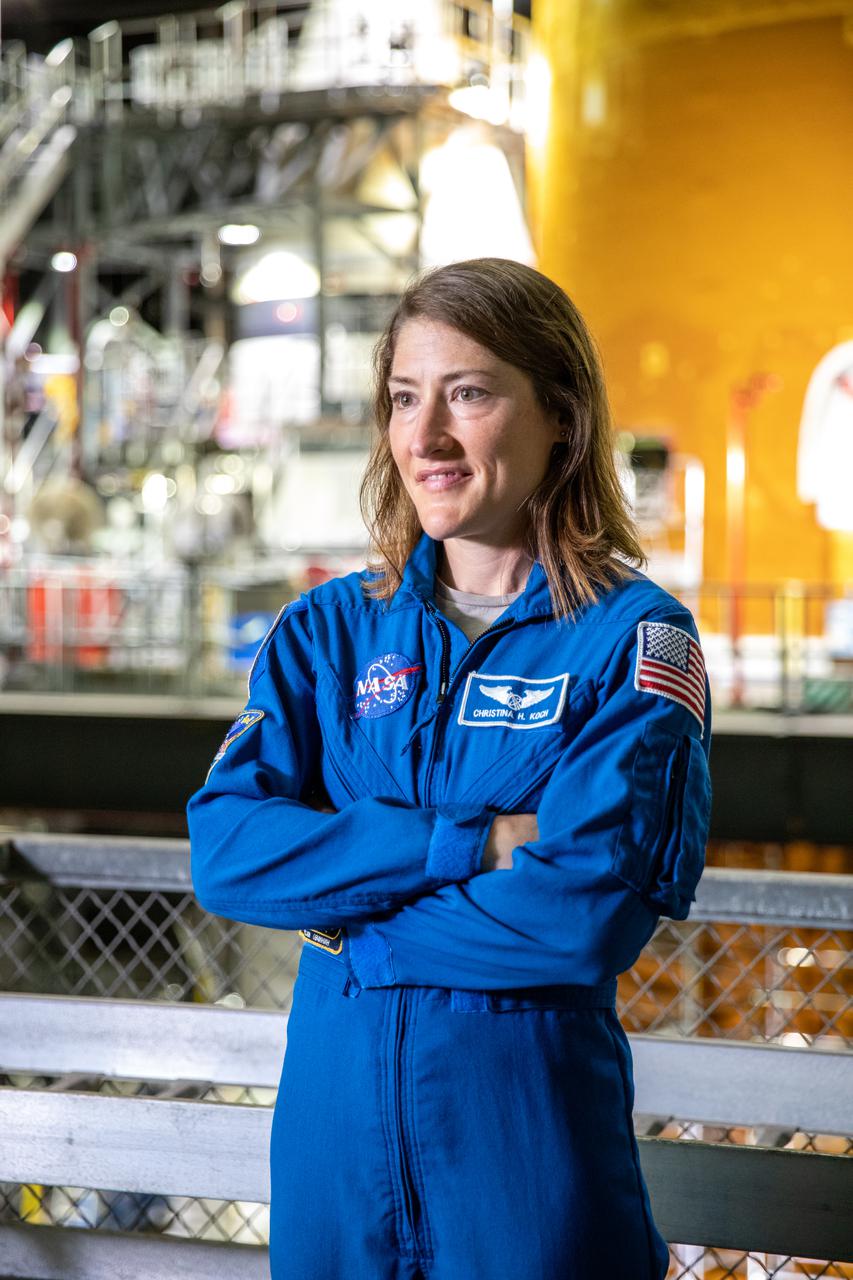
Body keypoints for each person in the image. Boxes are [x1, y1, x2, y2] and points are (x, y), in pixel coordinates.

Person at [187, 257, 712, 1280]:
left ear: (559, 414)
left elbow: (579, 915)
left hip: (523, 1176)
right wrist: (464, 841)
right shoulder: (327, 633)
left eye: (467, 393)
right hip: (333, 1173)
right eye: (402, 398)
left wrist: (346, 920)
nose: (425, 438)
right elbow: (228, 850)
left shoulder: (629, 641)